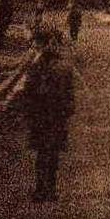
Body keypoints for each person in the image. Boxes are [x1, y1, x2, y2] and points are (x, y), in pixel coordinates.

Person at [23, 30, 75, 202]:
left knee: (41, 153)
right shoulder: (64, 66)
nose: (33, 47)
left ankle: (40, 189)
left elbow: (28, 92)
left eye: (36, 44)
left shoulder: (36, 66)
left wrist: (28, 113)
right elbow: (69, 95)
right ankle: (51, 190)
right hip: (57, 117)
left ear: (42, 45)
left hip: (41, 116)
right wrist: (66, 112)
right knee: (52, 154)